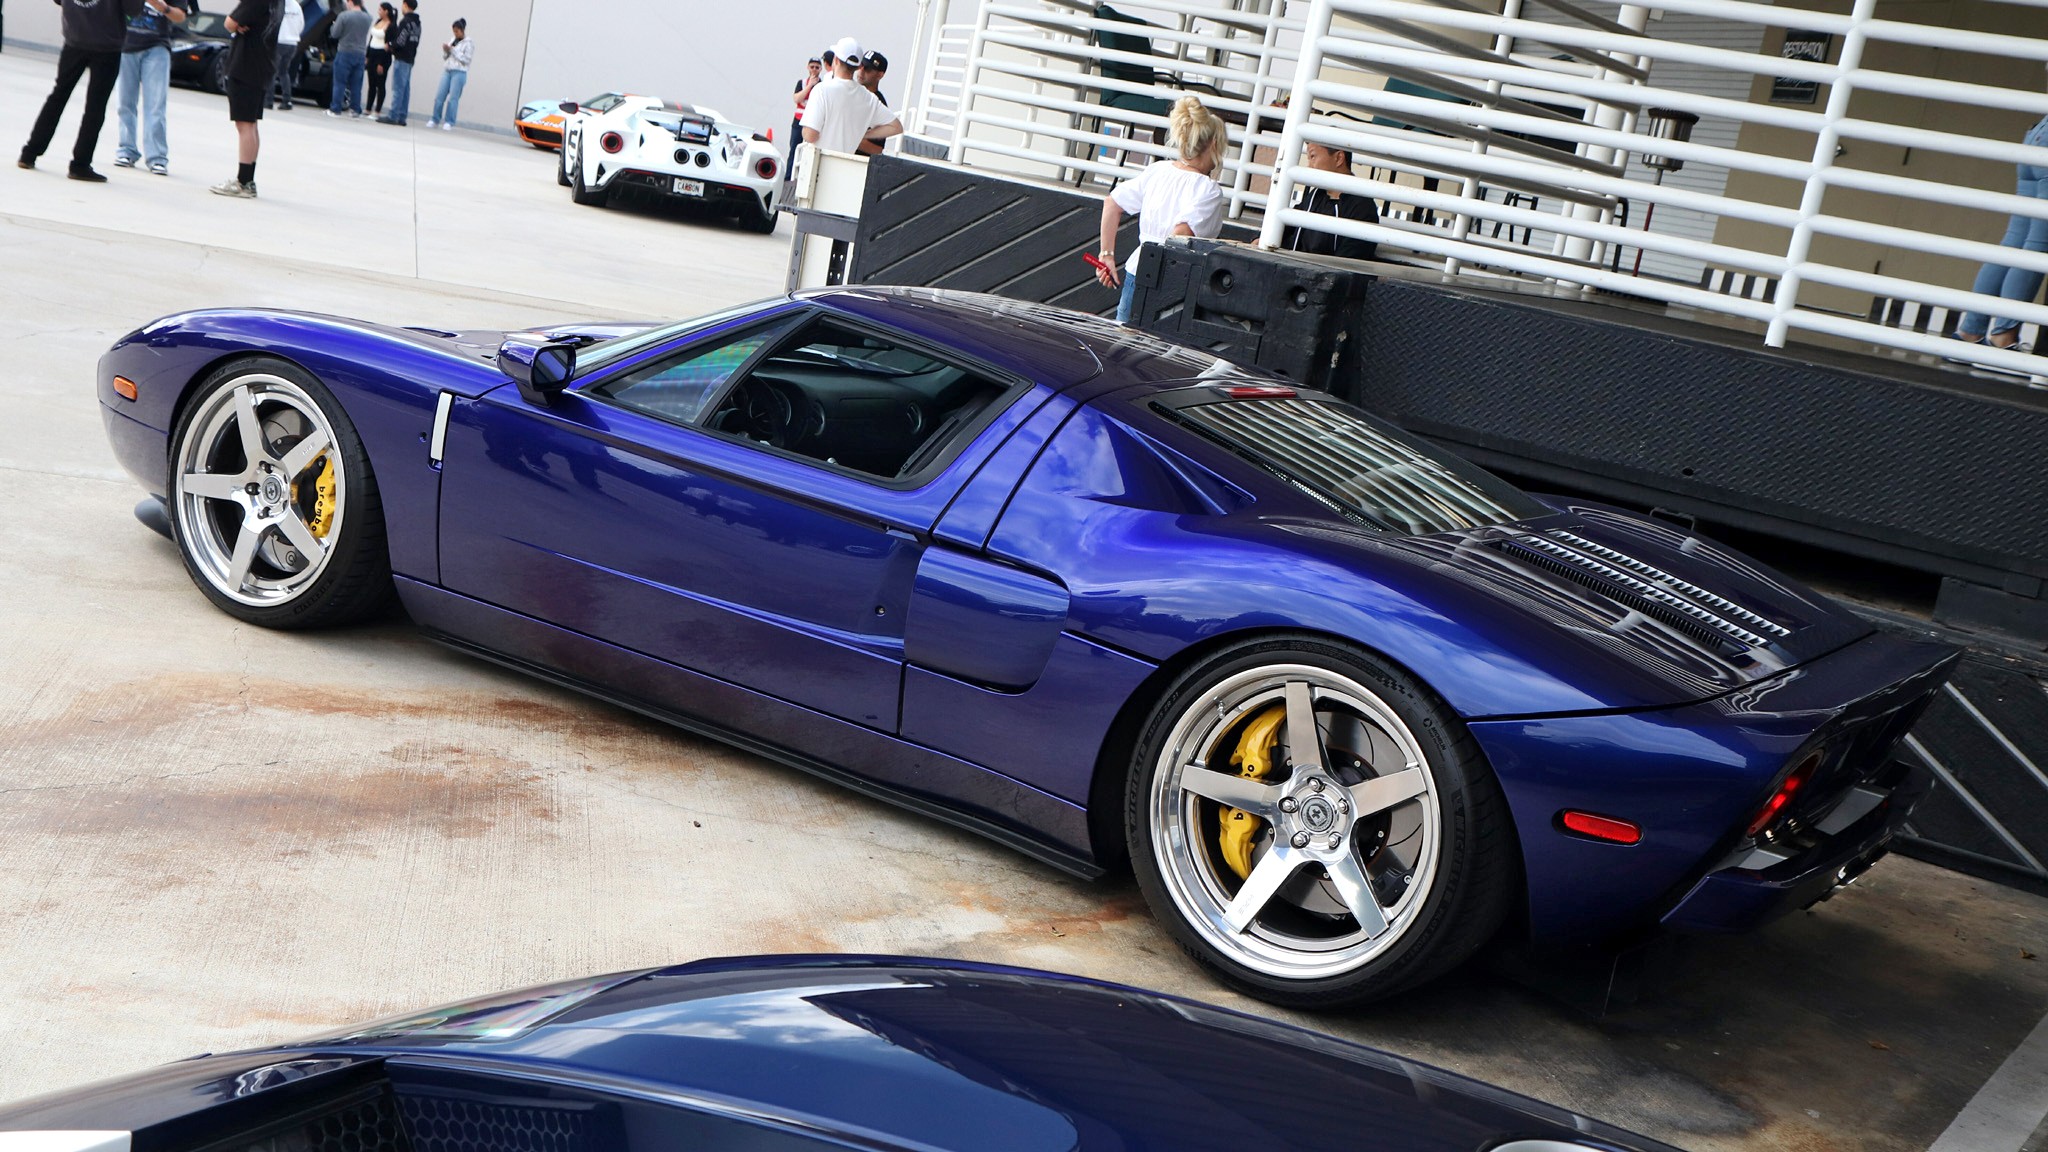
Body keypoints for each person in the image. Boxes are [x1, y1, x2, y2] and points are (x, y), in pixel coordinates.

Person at [1094, 95, 1228, 324]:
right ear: (1214, 145)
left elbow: (1112, 203)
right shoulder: (1208, 190)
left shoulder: (1158, 171)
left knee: (1120, 344)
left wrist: (1106, 255)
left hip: (1139, 268)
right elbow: (1181, 234)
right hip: (1175, 283)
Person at [18, 0, 148, 181]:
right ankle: (80, 164)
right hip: (106, 44)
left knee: (58, 96)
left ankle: (29, 153)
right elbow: (133, 9)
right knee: (95, 106)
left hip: (75, 38)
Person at [1957, 113, 2048, 352]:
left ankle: (1969, 332)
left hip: (2037, 133)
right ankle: (2003, 337)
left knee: (2014, 241)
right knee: (2037, 246)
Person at [210, 0, 282, 198]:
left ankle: (242, 181)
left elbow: (229, 23)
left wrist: (237, 24)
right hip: (262, 64)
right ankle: (248, 179)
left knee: (244, 125)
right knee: (251, 124)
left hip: (245, 66)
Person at [113, 0, 189, 176]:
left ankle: (157, 157)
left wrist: (163, 7)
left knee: (156, 105)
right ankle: (126, 149)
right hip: (125, 45)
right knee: (125, 102)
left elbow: (180, 16)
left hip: (157, 47)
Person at [1279, 141, 1379, 262]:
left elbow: (1344, 266)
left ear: (1338, 158)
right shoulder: (1316, 195)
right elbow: (1287, 223)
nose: (1309, 166)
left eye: (1313, 156)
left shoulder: (1362, 207)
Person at [800, 36, 900, 156]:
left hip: (820, 164)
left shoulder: (821, 89)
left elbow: (810, 134)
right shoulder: (870, 99)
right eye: (862, 67)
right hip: (848, 168)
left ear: (836, 60)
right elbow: (896, 127)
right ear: (858, 67)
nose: (863, 71)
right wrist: (857, 136)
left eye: (867, 69)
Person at [376, 0, 419, 125]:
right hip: (410, 58)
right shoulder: (417, 23)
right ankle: (402, 116)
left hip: (401, 58)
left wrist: (390, 45)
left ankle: (393, 115)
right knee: (405, 89)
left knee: (398, 88)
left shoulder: (405, 22)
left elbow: (400, 41)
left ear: (405, 5)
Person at [326, 0, 369, 117]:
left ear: (350, 2)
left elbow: (334, 34)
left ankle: (335, 109)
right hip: (360, 54)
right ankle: (355, 110)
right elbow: (365, 12)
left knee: (339, 82)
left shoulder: (344, 16)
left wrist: (334, 25)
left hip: (345, 52)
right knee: (356, 84)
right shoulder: (367, 18)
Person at [426, 16, 470, 130]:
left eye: (457, 31)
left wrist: (453, 50)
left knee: (453, 98)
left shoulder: (468, 43)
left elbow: (466, 59)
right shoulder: (452, 40)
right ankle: (435, 119)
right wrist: (446, 51)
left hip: (459, 72)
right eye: (454, 31)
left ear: (462, 30)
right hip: (447, 70)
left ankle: (449, 121)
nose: (455, 34)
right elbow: (446, 57)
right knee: (440, 96)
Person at [269, 0, 303, 109]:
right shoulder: (296, 6)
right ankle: (287, 100)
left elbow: (273, 21)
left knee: (271, 71)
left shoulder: (277, 4)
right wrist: (294, 34)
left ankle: (268, 100)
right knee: (283, 72)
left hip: (279, 40)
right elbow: (301, 24)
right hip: (292, 42)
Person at [790, 53, 820, 166]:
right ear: (808, 67)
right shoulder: (801, 83)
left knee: (810, 149)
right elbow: (797, 98)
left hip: (813, 122)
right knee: (794, 148)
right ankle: (789, 176)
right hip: (799, 120)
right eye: (812, 67)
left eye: (817, 67)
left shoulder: (822, 85)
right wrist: (809, 86)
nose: (814, 69)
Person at [364, 2, 393, 114]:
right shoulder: (378, 22)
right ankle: (368, 108)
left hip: (382, 56)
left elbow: (388, 46)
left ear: (386, 11)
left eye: (380, 10)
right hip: (372, 53)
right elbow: (371, 39)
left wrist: (381, 63)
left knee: (380, 84)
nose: (379, 12)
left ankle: (378, 110)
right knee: (371, 83)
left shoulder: (391, 25)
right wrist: (367, 56)